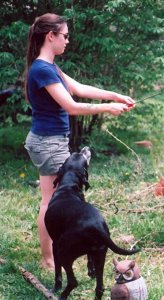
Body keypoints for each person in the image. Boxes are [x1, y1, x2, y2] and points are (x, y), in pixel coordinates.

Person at [24, 13, 135, 270]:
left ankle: (57, 253)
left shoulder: (50, 67)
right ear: (50, 36)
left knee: (51, 199)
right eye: (64, 36)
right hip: (49, 143)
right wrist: (107, 109)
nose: (67, 41)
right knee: (49, 202)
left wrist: (115, 96)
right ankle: (49, 259)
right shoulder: (42, 69)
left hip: (48, 141)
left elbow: (80, 89)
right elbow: (71, 106)